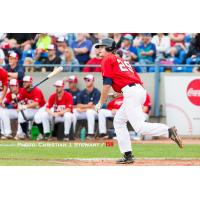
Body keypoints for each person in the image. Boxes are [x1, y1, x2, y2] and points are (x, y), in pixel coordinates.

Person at [95, 38, 183, 164]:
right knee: (119, 121)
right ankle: (128, 154)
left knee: (140, 128)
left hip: (132, 93)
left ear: (109, 48)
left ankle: (168, 131)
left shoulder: (108, 59)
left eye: (102, 47)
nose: (99, 49)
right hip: (136, 91)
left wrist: (100, 102)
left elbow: (106, 84)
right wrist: (115, 95)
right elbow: (130, 82)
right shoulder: (122, 60)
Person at [15, 76, 46, 140]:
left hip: (41, 108)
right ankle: (25, 134)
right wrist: (16, 100)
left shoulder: (37, 90)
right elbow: (18, 99)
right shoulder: (23, 90)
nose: (24, 83)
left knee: (37, 118)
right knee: (21, 116)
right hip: (32, 109)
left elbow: (36, 103)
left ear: (31, 83)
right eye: (24, 82)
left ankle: (42, 134)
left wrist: (25, 106)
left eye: (26, 82)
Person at [74, 74, 100, 139]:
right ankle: (72, 134)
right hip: (84, 112)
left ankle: (91, 134)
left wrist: (83, 108)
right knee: (74, 111)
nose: (86, 81)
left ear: (93, 81)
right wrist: (87, 106)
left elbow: (94, 106)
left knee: (90, 112)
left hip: (95, 112)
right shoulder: (82, 92)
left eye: (88, 80)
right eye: (85, 80)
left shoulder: (97, 92)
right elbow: (78, 105)